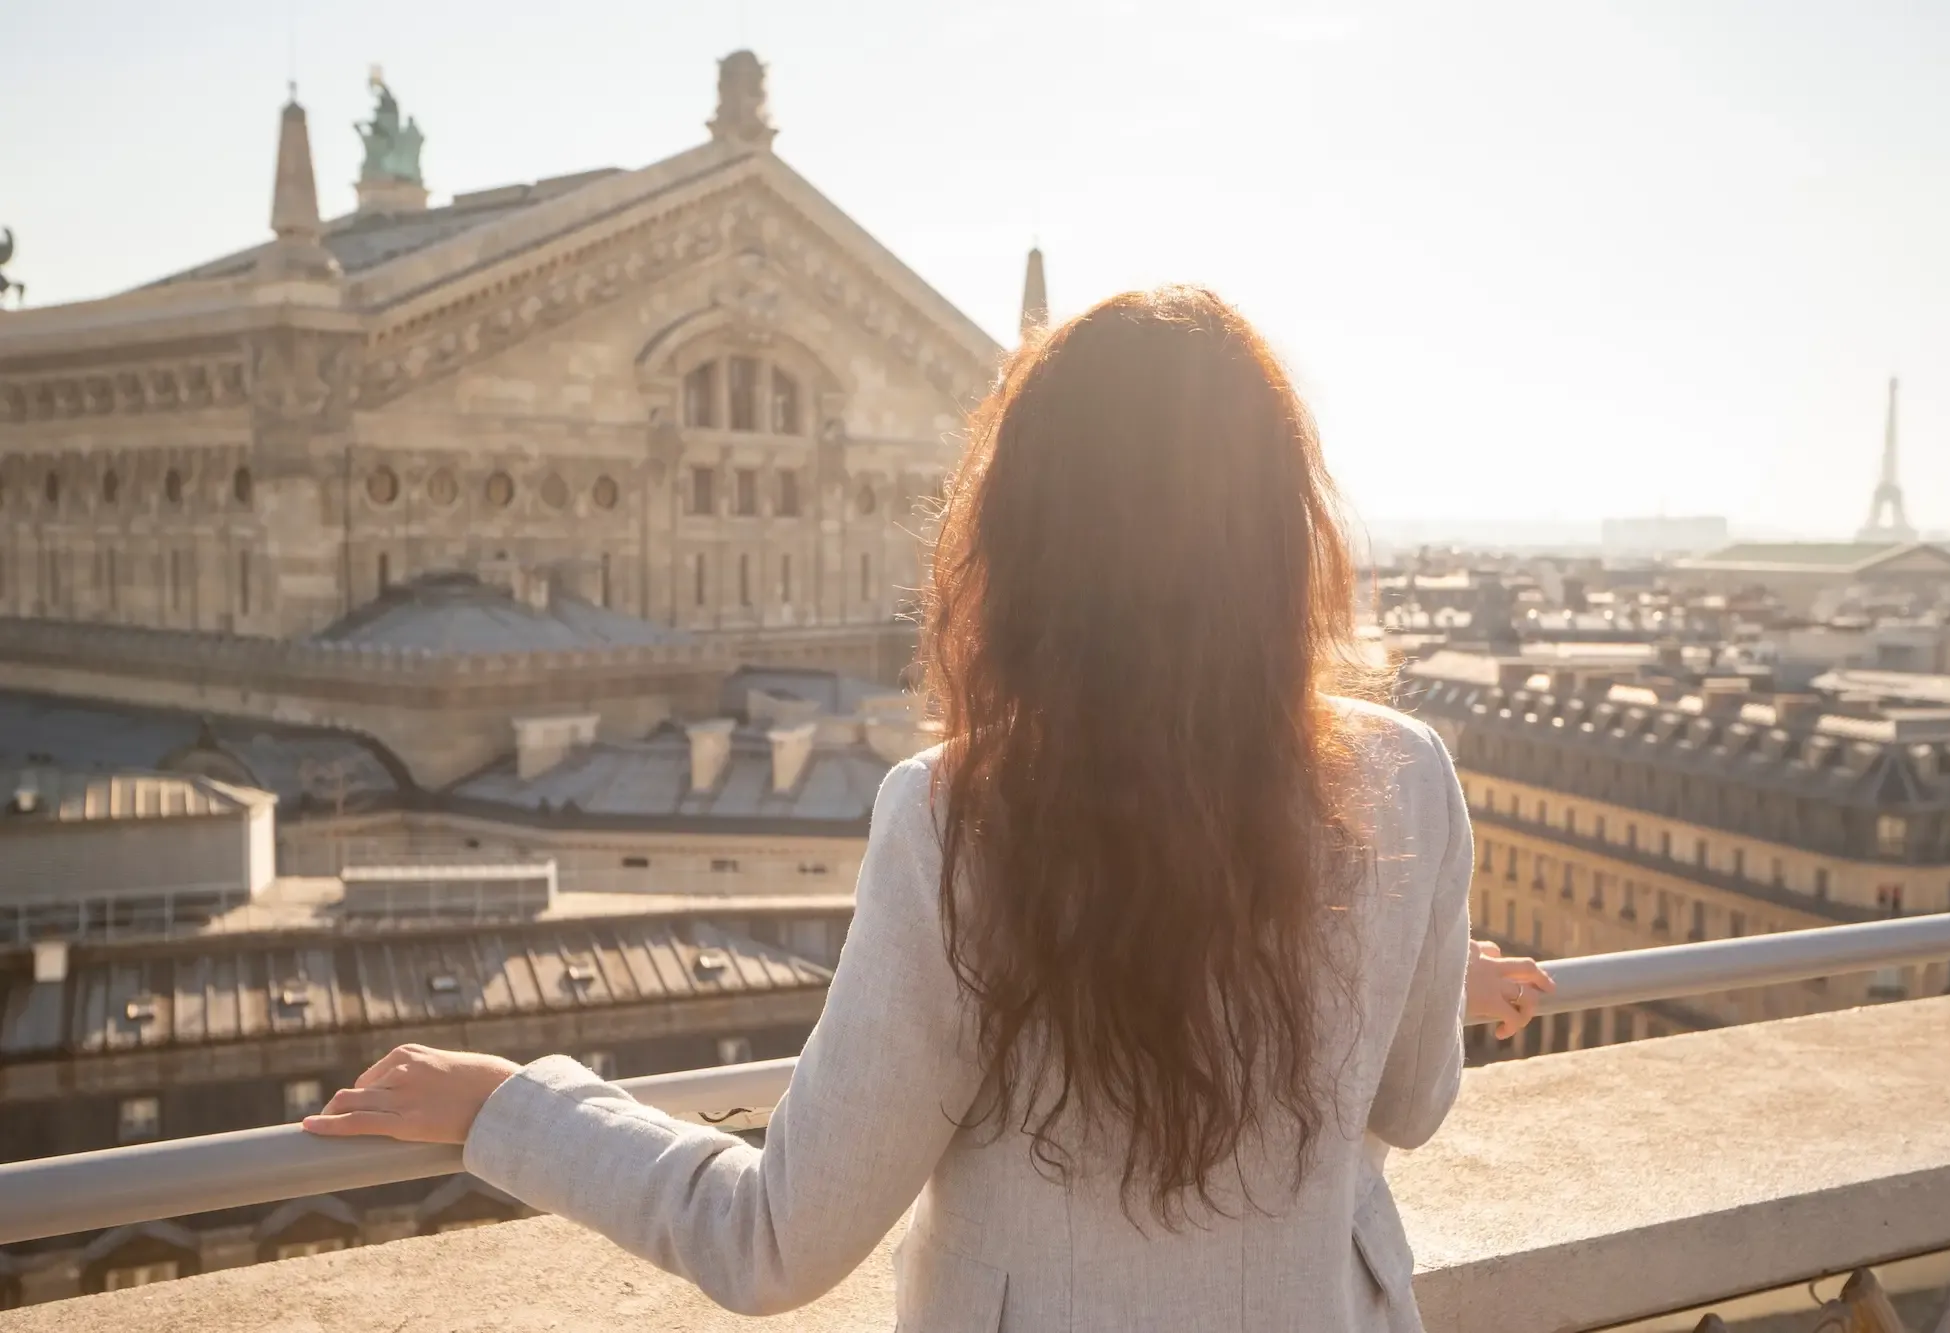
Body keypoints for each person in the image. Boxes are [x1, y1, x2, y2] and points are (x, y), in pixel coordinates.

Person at [306, 287, 1548, 1330]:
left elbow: (771, 1243)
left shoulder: (965, 814)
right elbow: (1408, 1105)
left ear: (1026, 541)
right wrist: (1410, 980)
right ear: (1284, 534)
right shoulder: (1403, 774)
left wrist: (507, 1107)